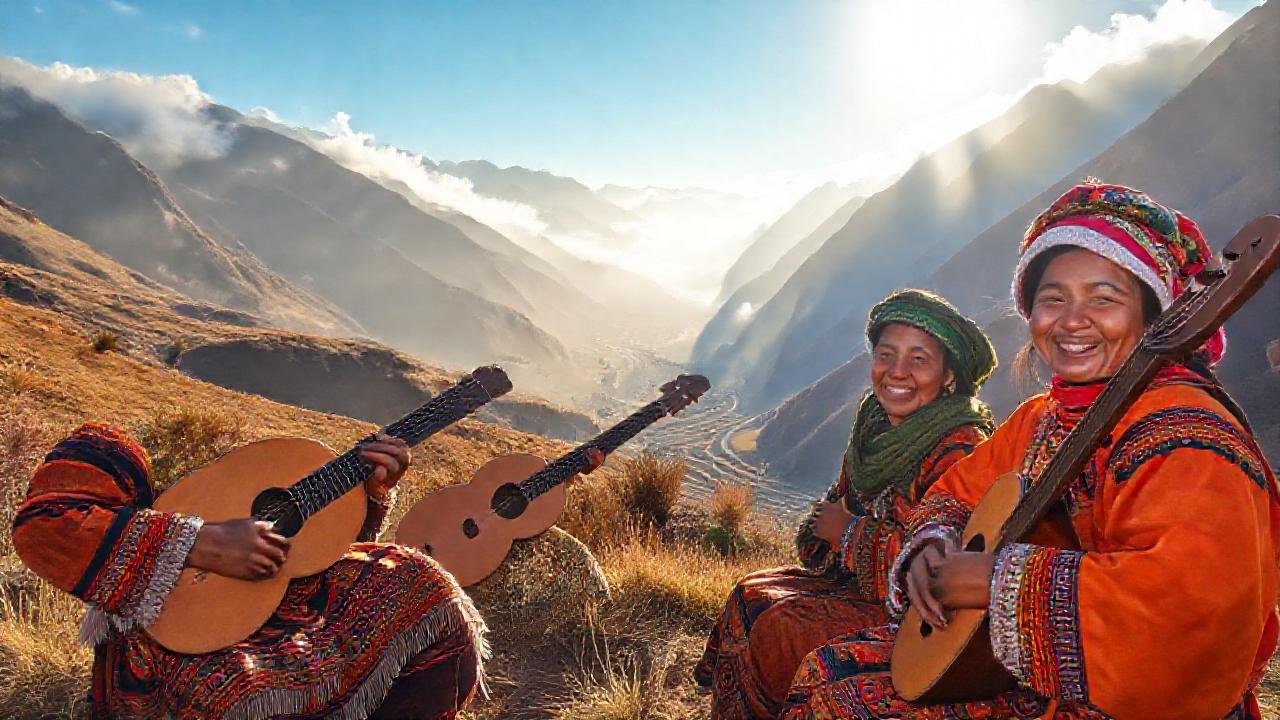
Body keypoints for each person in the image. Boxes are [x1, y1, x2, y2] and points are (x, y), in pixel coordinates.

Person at [781, 182, 1279, 720]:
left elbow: (1191, 617)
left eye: (1104, 298)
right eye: (1053, 299)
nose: (1072, 320)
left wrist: (999, 583)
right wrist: (930, 547)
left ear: (1154, 314)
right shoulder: (1043, 417)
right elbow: (955, 494)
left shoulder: (1191, 436)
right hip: (1016, 668)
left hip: (1133, 699)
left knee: (840, 704)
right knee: (823, 672)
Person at [12, 426, 486, 719]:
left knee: (420, 584)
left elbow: (313, 551)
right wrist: (203, 543)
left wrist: (369, 491)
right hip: (179, 640)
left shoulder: (239, 480)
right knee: (231, 686)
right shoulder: (110, 456)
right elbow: (41, 527)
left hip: (261, 612)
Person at [694, 289, 998, 719]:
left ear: (949, 376)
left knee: (783, 629)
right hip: (854, 586)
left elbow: (947, 566)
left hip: (917, 621)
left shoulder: (961, 448)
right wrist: (827, 527)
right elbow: (833, 510)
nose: (897, 372)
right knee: (750, 596)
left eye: (919, 360)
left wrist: (848, 532)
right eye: (886, 355)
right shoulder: (873, 427)